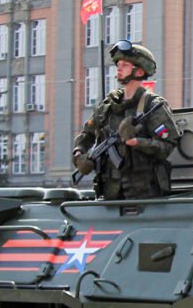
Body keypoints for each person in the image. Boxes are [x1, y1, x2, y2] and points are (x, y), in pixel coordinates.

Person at [73, 42, 178, 200]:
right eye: (118, 65)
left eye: (125, 65)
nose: (119, 68)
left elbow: (167, 145)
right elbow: (87, 134)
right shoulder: (109, 104)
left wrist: (136, 142)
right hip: (109, 193)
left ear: (139, 71)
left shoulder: (153, 105)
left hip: (143, 193)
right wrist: (79, 154)